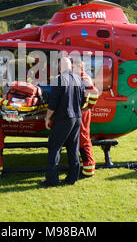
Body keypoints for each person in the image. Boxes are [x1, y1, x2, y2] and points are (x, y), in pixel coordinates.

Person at [40, 57, 86, 187]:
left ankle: (52, 180)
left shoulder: (59, 80)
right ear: (70, 66)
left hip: (64, 118)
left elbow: (53, 103)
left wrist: (47, 118)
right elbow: (83, 101)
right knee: (73, 148)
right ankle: (73, 177)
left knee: (55, 147)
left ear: (60, 67)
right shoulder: (79, 79)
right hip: (77, 118)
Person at [74, 61, 99, 178]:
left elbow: (94, 93)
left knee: (83, 138)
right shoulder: (80, 77)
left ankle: (89, 169)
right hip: (81, 111)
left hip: (83, 112)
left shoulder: (83, 78)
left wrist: (89, 107)